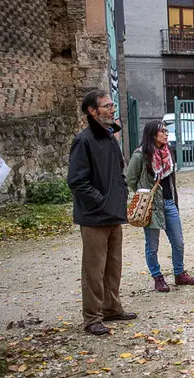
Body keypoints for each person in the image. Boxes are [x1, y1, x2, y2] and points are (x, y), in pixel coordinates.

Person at [67, 89, 136, 335]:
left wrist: (120, 196)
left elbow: (118, 172)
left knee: (113, 266)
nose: (112, 110)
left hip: (113, 214)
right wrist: (100, 201)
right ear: (92, 111)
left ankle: (111, 308)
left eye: (112, 106)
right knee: (93, 270)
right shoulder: (84, 140)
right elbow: (77, 181)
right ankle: (92, 317)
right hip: (95, 217)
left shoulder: (109, 138)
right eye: (106, 106)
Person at [126, 120, 194, 293]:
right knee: (152, 245)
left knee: (178, 241)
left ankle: (179, 273)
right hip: (152, 206)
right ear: (153, 134)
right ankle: (157, 277)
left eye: (167, 131)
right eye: (163, 131)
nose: (166, 134)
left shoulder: (168, 152)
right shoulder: (140, 155)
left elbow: (170, 179)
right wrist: (142, 194)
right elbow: (130, 179)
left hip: (168, 202)